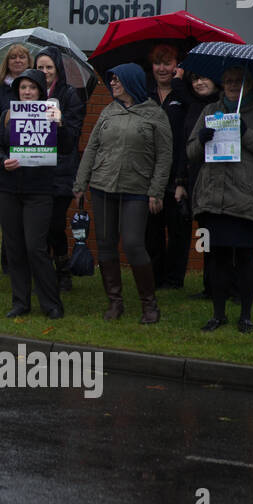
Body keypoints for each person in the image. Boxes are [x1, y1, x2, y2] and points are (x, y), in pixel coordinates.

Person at [72, 63, 173, 323]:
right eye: (112, 80)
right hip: (102, 186)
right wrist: (80, 184)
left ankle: (149, 305)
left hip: (137, 189)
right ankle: (115, 303)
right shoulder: (108, 111)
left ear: (132, 82)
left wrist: (156, 191)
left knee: (132, 243)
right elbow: (92, 148)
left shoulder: (154, 114)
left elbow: (164, 157)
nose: (113, 84)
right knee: (105, 243)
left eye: (117, 80)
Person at [186, 67, 253, 333]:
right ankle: (218, 314)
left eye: (238, 81)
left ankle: (246, 315)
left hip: (245, 196)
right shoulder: (210, 111)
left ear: (249, 85)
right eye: (228, 81)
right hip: (212, 195)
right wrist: (202, 140)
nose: (231, 85)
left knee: (243, 256)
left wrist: (245, 134)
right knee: (216, 257)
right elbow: (191, 151)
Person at [0, 68, 74, 318]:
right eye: (23, 87)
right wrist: (2, 160)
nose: (27, 92)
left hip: (40, 191)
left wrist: (60, 123)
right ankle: (20, 302)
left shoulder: (51, 114)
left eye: (32, 87)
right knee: (14, 247)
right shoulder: (7, 114)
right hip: (8, 189)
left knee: (35, 247)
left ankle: (51, 303)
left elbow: (68, 146)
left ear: (41, 91)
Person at [34, 47, 86, 292]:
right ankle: (43, 274)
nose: (44, 72)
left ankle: (63, 271)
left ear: (57, 70)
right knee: (39, 226)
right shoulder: (28, 92)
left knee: (56, 224)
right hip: (35, 168)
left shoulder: (69, 95)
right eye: (40, 67)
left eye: (48, 68)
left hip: (62, 170)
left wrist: (59, 122)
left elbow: (73, 136)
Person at [145, 44, 191, 289]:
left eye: (168, 63)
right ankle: (156, 277)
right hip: (149, 174)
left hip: (177, 174)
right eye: (157, 63)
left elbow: (188, 133)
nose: (162, 68)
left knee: (178, 232)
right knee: (151, 232)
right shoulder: (145, 94)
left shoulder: (184, 95)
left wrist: (180, 85)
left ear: (177, 66)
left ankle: (174, 280)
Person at [0, 42, 32, 273]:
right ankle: (9, 264)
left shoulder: (40, 95)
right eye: (13, 57)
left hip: (34, 164)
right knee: (10, 221)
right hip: (8, 159)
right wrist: (9, 122)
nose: (17, 61)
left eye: (22, 57)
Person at [178, 71, 220, 298]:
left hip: (223, 179)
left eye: (204, 77)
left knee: (225, 237)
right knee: (206, 236)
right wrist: (181, 182)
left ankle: (230, 287)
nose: (199, 82)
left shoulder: (229, 107)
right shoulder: (194, 107)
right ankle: (210, 286)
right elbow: (187, 147)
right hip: (198, 178)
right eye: (194, 79)